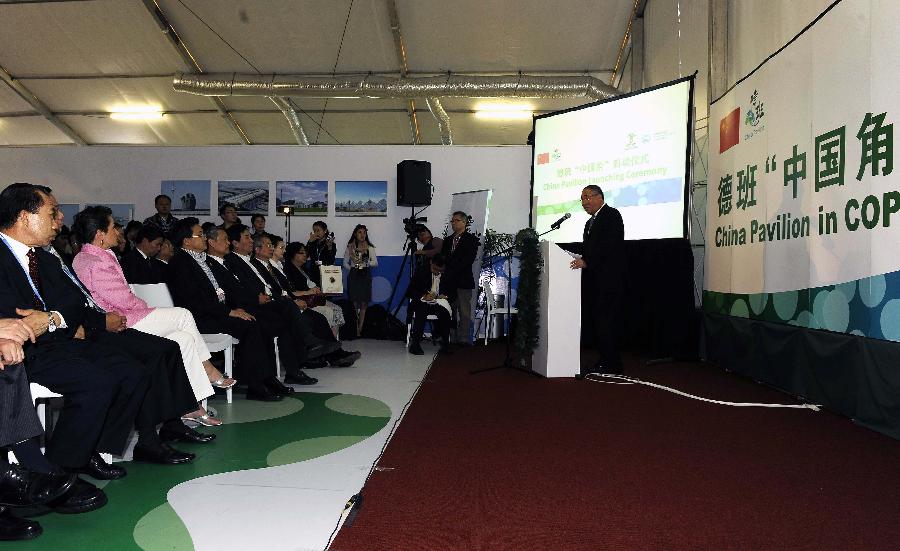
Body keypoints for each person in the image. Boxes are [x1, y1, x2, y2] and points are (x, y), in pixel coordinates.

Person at [0, 183, 150, 493]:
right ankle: (60, 473)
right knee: (96, 382)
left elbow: (72, 301)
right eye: (52, 212)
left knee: (132, 370)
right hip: (24, 349)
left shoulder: (44, 258)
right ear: (26, 217)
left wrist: (51, 318)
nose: (59, 219)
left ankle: (87, 449)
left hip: (57, 338)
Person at [71, 206, 232, 427]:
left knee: (182, 340)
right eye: (113, 227)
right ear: (99, 233)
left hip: (128, 314)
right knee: (183, 315)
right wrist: (144, 306)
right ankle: (208, 367)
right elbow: (123, 300)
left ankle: (191, 405)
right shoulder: (93, 262)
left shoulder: (99, 255)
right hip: (121, 321)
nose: (118, 231)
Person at [169, 219, 307, 396]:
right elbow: (195, 300)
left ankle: (268, 378)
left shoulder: (199, 259)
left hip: (215, 312)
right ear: (186, 241)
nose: (204, 237)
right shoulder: (180, 263)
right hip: (200, 318)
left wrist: (233, 309)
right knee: (251, 325)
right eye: (200, 234)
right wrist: (230, 311)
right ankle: (256, 384)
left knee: (260, 322)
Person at [565, 185, 625, 375]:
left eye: (588, 197)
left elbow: (610, 246)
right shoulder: (589, 222)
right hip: (595, 281)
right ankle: (606, 359)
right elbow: (591, 249)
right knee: (599, 322)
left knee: (606, 321)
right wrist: (579, 257)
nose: (585, 202)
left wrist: (588, 261)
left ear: (600, 197)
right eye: (582, 199)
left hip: (608, 281)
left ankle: (613, 364)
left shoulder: (611, 215)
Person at [282, 241, 345, 335]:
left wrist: (322, 290)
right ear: (292, 254)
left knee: (337, 309)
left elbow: (312, 285)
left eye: (305, 252)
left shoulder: (304, 269)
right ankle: (330, 341)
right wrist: (309, 291)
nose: (305, 255)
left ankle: (334, 341)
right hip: (303, 301)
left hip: (314, 299)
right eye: (301, 252)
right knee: (331, 311)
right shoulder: (287, 271)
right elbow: (291, 292)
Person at [440, 211, 479, 345]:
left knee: (464, 311)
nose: (453, 223)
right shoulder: (447, 240)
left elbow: (468, 260)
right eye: (452, 221)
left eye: (456, 220)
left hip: (463, 280)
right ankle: (450, 337)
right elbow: (443, 258)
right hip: (448, 282)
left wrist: (451, 267)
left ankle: (463, 339)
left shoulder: (472, 239)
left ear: (464, 222)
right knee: (449, 310)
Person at [406, 255, 454, 355]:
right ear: (431, 263)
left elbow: (453, 292)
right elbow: (410, 291)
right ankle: (415, 345)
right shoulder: (421, 271)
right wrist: (423, 295)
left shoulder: (448, 273)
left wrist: (445, 295)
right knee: (421, 311)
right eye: (435, 269)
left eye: (440, 270)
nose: (437, 272)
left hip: (438, 302)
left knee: (445, 312)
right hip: (422, 301)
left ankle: (445, 344)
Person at [343, 225, 377, 337]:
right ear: (355, 234)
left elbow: (375, 263)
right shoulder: (350, 247)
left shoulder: (370, 247)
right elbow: (345, 263)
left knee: (364, 303)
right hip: (354, 276)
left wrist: (364, 264)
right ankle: (355, 327)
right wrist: (353, 268)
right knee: (353, 302)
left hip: (365, 275)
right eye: (359, 232)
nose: (362, 235)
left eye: (364, 233)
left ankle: (360, 328)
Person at [306, 220, 335, 287]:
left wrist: (329, 247)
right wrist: (309, 242)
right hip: (314, 272)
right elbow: (305, 255)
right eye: (314, 231)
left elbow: (331, 260)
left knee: (326, 294)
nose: (316, 233)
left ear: (325, 231)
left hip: (326, 272)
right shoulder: (312, 243)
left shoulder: (331, 244)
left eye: (318, 230)